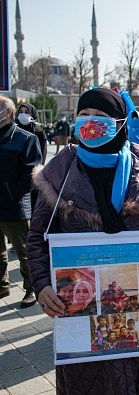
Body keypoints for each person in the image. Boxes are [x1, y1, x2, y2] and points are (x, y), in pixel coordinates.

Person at [27, 87, 139, 394]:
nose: (89, 122)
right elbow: (38, 235)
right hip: (83, 307)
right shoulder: (61, 170)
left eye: (100, 116)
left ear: (119, 122)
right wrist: (41, 284)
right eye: (83, 115)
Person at [0, 96, 42, 308]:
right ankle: (2, 287)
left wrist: (10, 193)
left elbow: (30, 174)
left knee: (24, 252)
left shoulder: (25, 138)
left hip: (14, 206)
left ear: (8, 112)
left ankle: (31, 289)